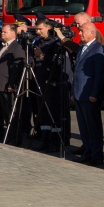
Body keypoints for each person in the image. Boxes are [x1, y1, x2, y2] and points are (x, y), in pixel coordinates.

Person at [71, 23, 104, 165]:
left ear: (92, 33)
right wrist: (74, 91)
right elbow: (77, 72)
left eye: (82, 31)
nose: (79, 34)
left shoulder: (98, 49)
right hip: (80, 94)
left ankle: (96, 155)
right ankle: (87, 151)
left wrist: (94, 93)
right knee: (84, 127)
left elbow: (98, 75)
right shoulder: (82, 48)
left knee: (93, 127)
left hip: (89, 95)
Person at [32, 17, 68, 152]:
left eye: (40, 29)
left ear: (48, 27)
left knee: (53, 113)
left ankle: (55, 142)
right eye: (36, 29)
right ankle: (45, 140)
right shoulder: (38, 41)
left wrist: (42, 56)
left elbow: (58, 62)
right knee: (43, 114)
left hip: (52, 82)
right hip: (39, 81)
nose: (38, 32)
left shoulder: (55, 43)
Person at [0, 23, 26, 144]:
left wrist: (12, 83)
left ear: (13, 33)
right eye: (2, 31)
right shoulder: (2, 46)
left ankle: (15, 137)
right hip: (0, 84)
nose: (2, 33)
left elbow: (17, 67)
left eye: (5, 32)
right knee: (6, 112)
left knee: (13, 112)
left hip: (9, 85)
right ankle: (9, 134)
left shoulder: (17, 47)